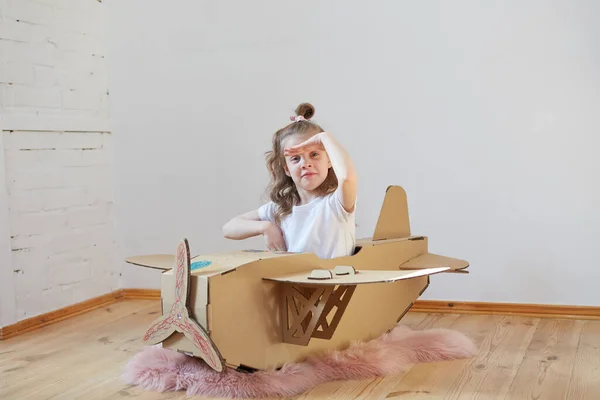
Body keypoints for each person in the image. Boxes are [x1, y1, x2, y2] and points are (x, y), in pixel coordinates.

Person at [222, 103, 357, 259]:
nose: (305, 163)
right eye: (295, 158)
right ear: (287, 169)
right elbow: (229, 228)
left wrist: (324, 138)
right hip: (295, 282)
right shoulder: (282, 209)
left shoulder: (336, 203)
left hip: (334, 282)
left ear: (329, 161)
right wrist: (265, 227)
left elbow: (347, 178)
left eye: (314, 154)